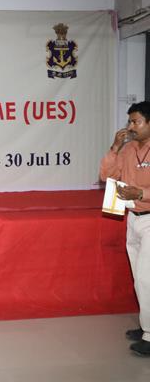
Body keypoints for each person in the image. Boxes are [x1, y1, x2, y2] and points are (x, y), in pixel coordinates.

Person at [100, 101, 150, 357]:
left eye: (136, 122)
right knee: (138, 277)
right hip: (133, 216)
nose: (130, 126)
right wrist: (115, 147)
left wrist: (141, 191)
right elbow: (106, 176)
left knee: (145, 278)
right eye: (129, 121)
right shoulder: (128, 149)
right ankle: (146, 327)